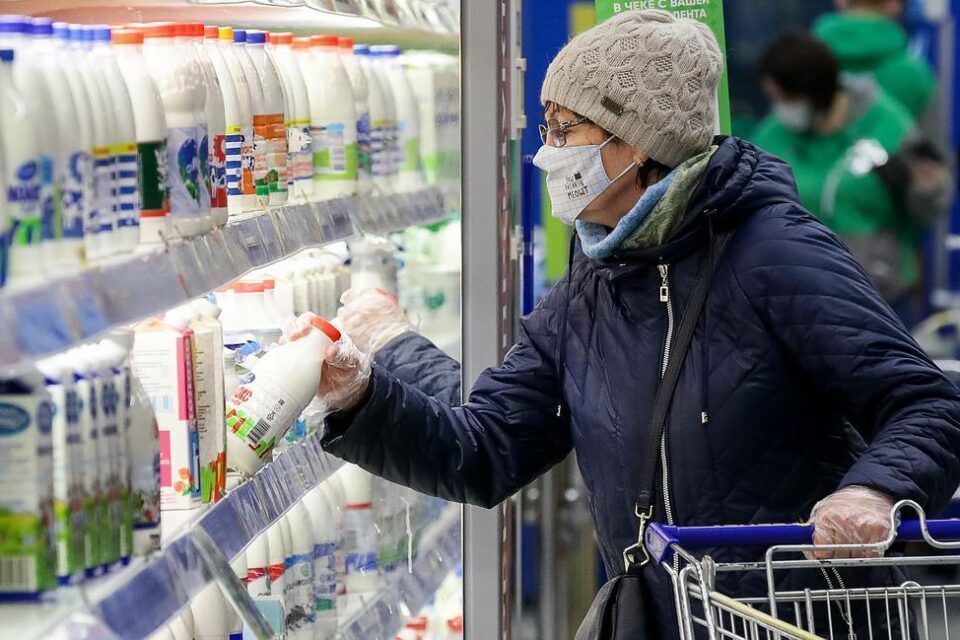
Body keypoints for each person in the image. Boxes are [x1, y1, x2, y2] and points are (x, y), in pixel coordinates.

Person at [299, 10, 960, 638]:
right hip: (670, 620)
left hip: (802, 619)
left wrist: (873, 491)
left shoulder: (775, 252)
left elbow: (928, 405)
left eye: (565, 130)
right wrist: (361, 396)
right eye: (546, 127)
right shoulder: (593, 280)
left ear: (637, 144)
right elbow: (486, 447)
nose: (547, 152)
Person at [753, 32, 950, 324]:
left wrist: (923, 186)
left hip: (880, 302)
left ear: (814, 93)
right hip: (799, 302)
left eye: (787, 99)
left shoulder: (886, 124)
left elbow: (933, 206)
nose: (781, 108)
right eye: (774, 99)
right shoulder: (772, 135)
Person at [814, 0, 936, 121]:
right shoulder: (917, 76)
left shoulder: (807, 66)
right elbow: (932, 131)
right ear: (895, 4)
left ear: (840, 1)